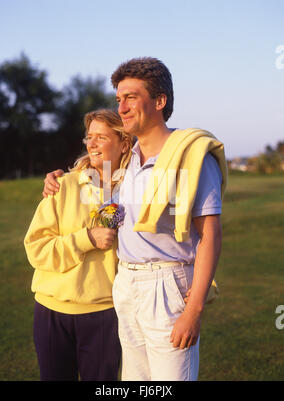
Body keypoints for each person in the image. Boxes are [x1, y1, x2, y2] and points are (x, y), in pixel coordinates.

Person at [43, 57, 228, 381]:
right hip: (126, 284)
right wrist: (60, 176)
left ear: (160, 101)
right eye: (119, 99)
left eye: (131, 97)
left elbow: (210, 235)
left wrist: (194, 309)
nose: (123, 107)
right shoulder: (126, 162)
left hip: (167, 285)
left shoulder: (191, 157)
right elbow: (97, 169)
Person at [24, 109, 133, 381]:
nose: (91, 144)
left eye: (101, 137)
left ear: (124, 143)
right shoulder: (62, 186)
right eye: (89, 137)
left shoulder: (137, 191)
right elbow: (36, 249)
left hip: (105, 315)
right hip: (52, 311)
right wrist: (87, 239)